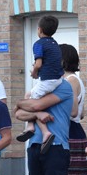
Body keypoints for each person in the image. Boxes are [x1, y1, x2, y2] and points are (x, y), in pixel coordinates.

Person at [17, 15, 64, 154]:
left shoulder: (39, 44)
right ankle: (30, 126)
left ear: (39, 29)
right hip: (57, 79)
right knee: (29, 95)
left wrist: (34, 72)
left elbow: (38, 63)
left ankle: (45, 132)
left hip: (47, 81)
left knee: (30, 104)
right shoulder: (55, 44)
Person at [60, 44, 87, 175]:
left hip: (70, 129)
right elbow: (83, 111)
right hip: (71, 129)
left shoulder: (70, 80)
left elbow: (71, 111)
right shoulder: (71, 80)